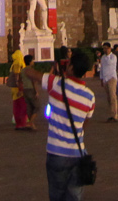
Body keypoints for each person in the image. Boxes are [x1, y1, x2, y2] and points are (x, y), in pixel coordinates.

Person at [24, 45, 95, 201]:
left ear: (70, 67)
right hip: (77, 153)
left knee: (56, 195)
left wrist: (29, 65)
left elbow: (29, 73)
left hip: (56, 152)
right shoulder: (90, 96)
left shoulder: (55, 84)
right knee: (74, 197)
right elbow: (84, 123)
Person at [96, 43, 118, 121]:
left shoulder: (113, 57)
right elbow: (102, 68)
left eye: (106, 48)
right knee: (109, 98)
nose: (104, 50)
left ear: (110, 48)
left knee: (113, 97)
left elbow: (110, 64)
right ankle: (111, 113)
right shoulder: (103, 57)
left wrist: (107, 56)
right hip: (105, 78)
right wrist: (101, 78)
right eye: (103, 48)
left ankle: (114, 115)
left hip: (112, 78)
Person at [10, 49, 32, 128]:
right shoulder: (19, 63)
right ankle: (23, 121)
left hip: (14, 88)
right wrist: (20, 87)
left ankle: (18, 121)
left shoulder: (13, 63)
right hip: (19, 87)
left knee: (16, 105)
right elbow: (17, 75)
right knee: (22, 104)